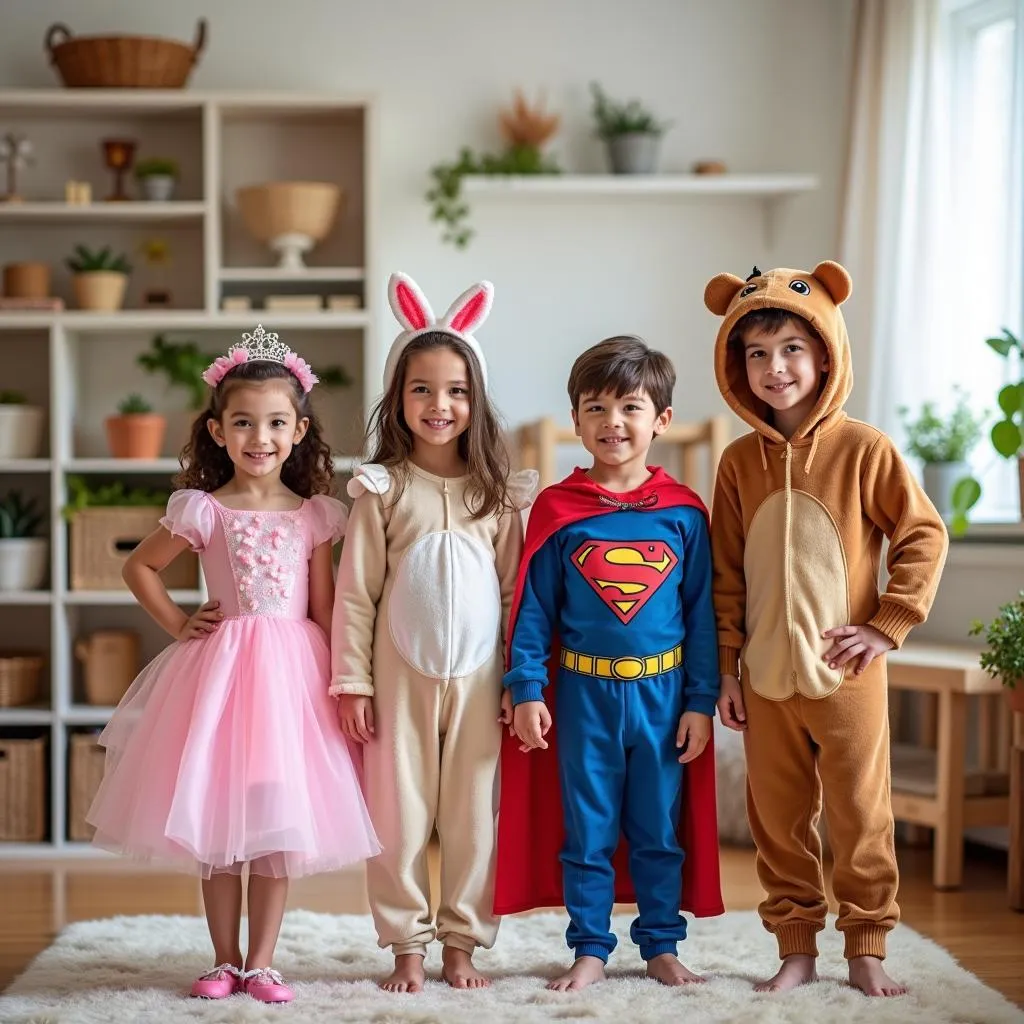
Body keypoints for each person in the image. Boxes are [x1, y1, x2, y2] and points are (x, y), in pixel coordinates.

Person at [87, 325, 380, 1004]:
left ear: (300, 430)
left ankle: (264, 962)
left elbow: (328, 605)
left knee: (276, 826)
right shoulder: (204, 510)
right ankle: (223, 959)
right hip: (219, 677)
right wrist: (178, 623)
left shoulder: (316, 515)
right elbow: (140, 567)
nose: (260, 437)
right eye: (243, 422)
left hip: (293, 681)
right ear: (217, 431)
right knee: (220, 833)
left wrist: (344, 679)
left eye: (277, 423)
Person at [705, 262, 948, 997]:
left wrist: (887, 624)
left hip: (847, 677)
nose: (774, 368)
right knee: (778, 820)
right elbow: (725, 576)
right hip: (767, 681)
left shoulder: (864, 449)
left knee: (860, 813)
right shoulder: (738, 462)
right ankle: (796, 947)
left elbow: (922, 536)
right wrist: (726, 668)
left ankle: (867, 945)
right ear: (737, 366)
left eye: (790, 350)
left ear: (824, 354)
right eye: (755, 353)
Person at [497, 335, 723, 992]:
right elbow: (533, 610)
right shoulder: (558, 510)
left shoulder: (682, 514)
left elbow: (701, 614)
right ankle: (590, 948)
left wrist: (700, 702)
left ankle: (660, 945)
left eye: (630, 407)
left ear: (661, 420)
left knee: (658, 828)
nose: (613, 423)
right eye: (596, 408)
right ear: (576, 420)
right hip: (583, 699)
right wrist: (527, 686)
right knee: (586, 828)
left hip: (662, 697)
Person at [331, 273, 536, 993]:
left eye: (455, 391)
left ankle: (463, 943)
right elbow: (355, 594)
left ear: (475, 401)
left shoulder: (497, 494)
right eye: (421, 389)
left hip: (483, 684)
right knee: (399, 812)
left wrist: (521, 681)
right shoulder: (381, 489)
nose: (439, 405)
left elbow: (517, 596)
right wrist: (352, 680)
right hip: (398, 682)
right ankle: (406, 945)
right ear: (398, 398)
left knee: (476, 814)